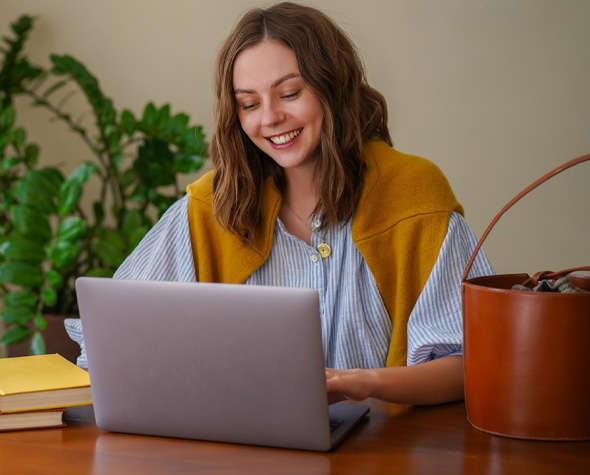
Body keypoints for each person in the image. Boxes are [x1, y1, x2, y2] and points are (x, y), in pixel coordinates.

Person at [66, 2, 492, 405]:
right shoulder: (209, 207)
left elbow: (470, 363)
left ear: (333, 89)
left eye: (289, 93)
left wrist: (362, 382)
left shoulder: (414, 193)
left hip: (385, 456)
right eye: (248, 103)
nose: (268, 118)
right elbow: (106, 337)